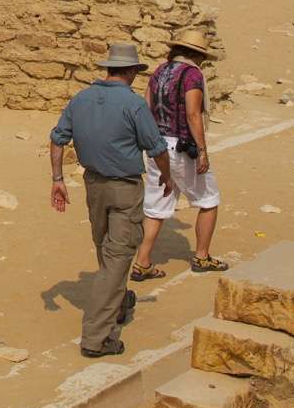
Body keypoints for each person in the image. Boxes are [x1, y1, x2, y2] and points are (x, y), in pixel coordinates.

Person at [49, 41, 175, 358]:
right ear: (132, 71)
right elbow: (156, 146)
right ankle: (97, 337)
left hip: (93, 186)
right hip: (124, 189)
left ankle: (118, 302)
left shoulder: (81, 99)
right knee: (117, 259)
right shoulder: (133, 105)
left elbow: (57, 139)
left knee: (106, 249)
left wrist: (57, 180)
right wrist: (167, 175)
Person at [131, 30, 226, 279]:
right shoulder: (192, 74)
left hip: (157, 147)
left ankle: (142, 261)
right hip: (183, 147)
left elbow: (147, 105)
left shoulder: (160, 71)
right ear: (197, 55)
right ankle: (202, 256)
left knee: (156, 205)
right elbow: (193, 114)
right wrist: (203, 151)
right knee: (208, 200)